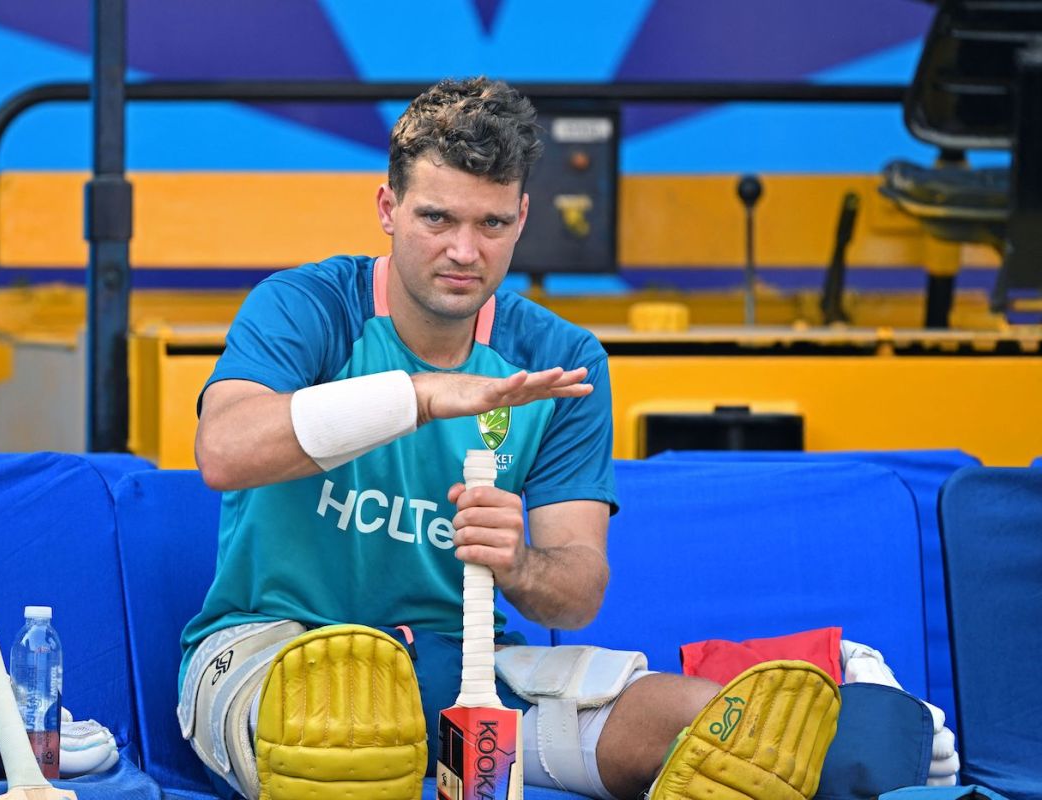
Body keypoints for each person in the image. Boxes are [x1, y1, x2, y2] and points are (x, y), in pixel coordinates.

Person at [178, 76, 839, 800]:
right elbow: (224, 452)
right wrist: (419, 396)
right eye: (436, 218)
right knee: (343, 743)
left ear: (523, 217)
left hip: (467, 671)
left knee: (716, 729)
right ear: (387, 208)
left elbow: (579, 590)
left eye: (491, 224)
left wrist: (518, 560)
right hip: (277, 651)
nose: (464, 251)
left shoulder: (563, 359)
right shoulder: (306, 305)